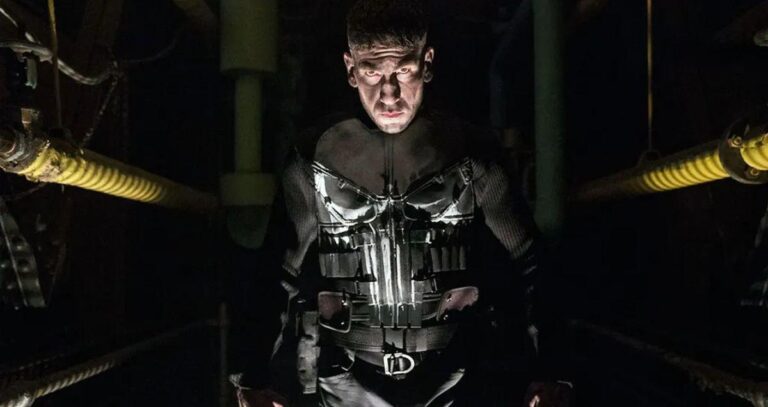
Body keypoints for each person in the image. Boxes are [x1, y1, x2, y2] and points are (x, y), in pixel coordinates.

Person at [232, 0, 571, 405]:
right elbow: (277, 272)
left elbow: (530, 260)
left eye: (403, 71)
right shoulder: (314, 158)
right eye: (372, 72)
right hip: (348, 381)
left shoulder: (471, 152)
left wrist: (552, 369)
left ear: (427, 63)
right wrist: (252, 377)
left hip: (455, 377)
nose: (389, 93)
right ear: (351, 69)